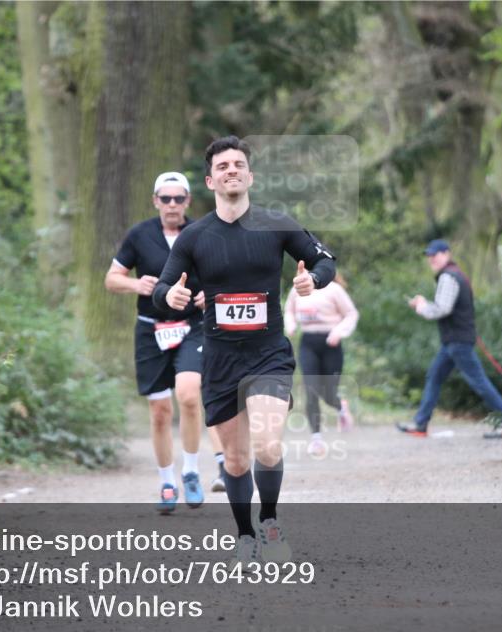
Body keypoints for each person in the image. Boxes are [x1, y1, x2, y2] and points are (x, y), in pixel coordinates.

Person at [153, 136, 336, 567]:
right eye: (223, 166)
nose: (231, 170)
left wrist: (315, 281)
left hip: (268, 353)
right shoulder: (194, 238)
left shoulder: (277, 225)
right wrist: (171, 298)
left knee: (268, 446)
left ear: (250, 176)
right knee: (235, 459)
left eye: (238, 164)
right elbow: (164, 286)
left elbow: (325, 260)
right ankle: (245, 534)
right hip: (219, 358)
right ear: (210, 180)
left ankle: (270, 522)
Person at [105, 171, 226, 515]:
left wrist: (210, 296)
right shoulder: (140, 235)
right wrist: (135, 285)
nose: (172, 205)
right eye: (165, 198)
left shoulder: (202, 232)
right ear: (156, 201)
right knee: (160, 412)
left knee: (189, 394)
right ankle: (167, 481)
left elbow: (223, 275)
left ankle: (190, 471)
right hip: (150, 329)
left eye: (178, 199)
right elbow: (111, 279)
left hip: (191, 326)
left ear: (188, 201)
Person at [396, 239, 502, 438]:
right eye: (429, 256)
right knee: (434, 377)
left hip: (458, 342)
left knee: (479, 382)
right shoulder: (455, 274)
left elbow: (442, 309)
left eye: (435, 254)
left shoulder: (448, 277)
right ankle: (421, 424)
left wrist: (421, 306)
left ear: (447, 253)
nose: (432, 259)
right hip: (453, 342)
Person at [284, 272, 359, 456]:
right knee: (311, 391)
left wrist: (339, 332)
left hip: (331, 344)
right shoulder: (298, 289)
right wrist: (291, 324)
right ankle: (316, 440)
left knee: (328, 394)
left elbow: (351, 314)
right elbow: (289, 311)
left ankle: (341, 406)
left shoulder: (334, 290)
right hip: (308, 343)